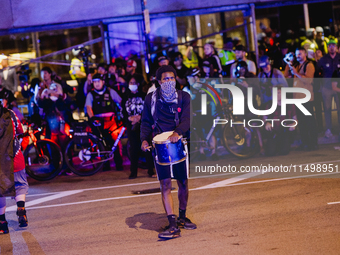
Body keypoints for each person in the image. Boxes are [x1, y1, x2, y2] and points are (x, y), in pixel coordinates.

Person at [140, 65, 196, 239]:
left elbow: (187, 120)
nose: (169, 82)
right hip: (160, 145)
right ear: (158, 81)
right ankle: (172, 224)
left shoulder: (183, 97)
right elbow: (145, 122)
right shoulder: (151, 99)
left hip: (178, 142)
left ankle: (182, 216)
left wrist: (177, 133)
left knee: (183, 183)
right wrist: (143, 139)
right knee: (165, 184)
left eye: (172, 78)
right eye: (165, 79)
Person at [85, 73, 124, 171]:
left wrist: (123, 113)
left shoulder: (110, 91)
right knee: (101, 144)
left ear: (103, 82)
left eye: (98, 81)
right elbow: (88, 108)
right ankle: (105, 165)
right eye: (94, 82)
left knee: (115, 142)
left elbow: (120, 102)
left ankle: (119, 164)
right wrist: (92, 117)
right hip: (98, 122)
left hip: (111, 121)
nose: (97, 84)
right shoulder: (91, 94)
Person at [0, 104, 29, 234]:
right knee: (20, 184)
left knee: (1, 190)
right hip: (15, 157)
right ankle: (21, 209)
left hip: (1, 162)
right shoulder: (10, 113)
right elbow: (20, 130)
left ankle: (2, 224)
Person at [285, 47, 318, 151]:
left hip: (306, 99)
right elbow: (286, 75)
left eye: (300, 54)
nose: (298, 56)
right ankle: (305, 142)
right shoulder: (297, 65)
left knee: (310, 122)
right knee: (302, 123)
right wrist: (288, 62)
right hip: (297, 99)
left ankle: (313, 143)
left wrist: (296, 73)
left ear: (305, 54)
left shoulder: (309, 65)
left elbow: (308, 80)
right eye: (296, 54)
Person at [123, 75, 155, 179]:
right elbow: (122, 112)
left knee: (147, 146)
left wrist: (140, 117)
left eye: (134, 83)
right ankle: (133, 172)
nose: (132, 85)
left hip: (143, 125)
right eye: (130, 83)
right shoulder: (125, 97)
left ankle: (151, 170)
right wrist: (130, 119)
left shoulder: (143, 95)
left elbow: (148, 109)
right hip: (131, 125)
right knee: (133, 149)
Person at [263, 86, 297, 156]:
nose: (277, 95)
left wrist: (294, 124)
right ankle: (275, 146)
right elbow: (264, 118)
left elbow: (295, 118)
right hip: (274, 131)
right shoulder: (269, 105)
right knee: (270, 153)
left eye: (279, 93)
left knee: (284, 152)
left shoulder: (290, 104)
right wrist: (266, 123)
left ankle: (282, 145)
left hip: (285, 131)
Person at [317, 39, 340, 138]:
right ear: (327, 47)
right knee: (327, 109)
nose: (331, 47)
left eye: (333, 45)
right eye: (329, 46)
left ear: (336, 47)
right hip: (326, 87)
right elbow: (317, 71)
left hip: (338, 88)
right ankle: (328, 129)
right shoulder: (323, 59)